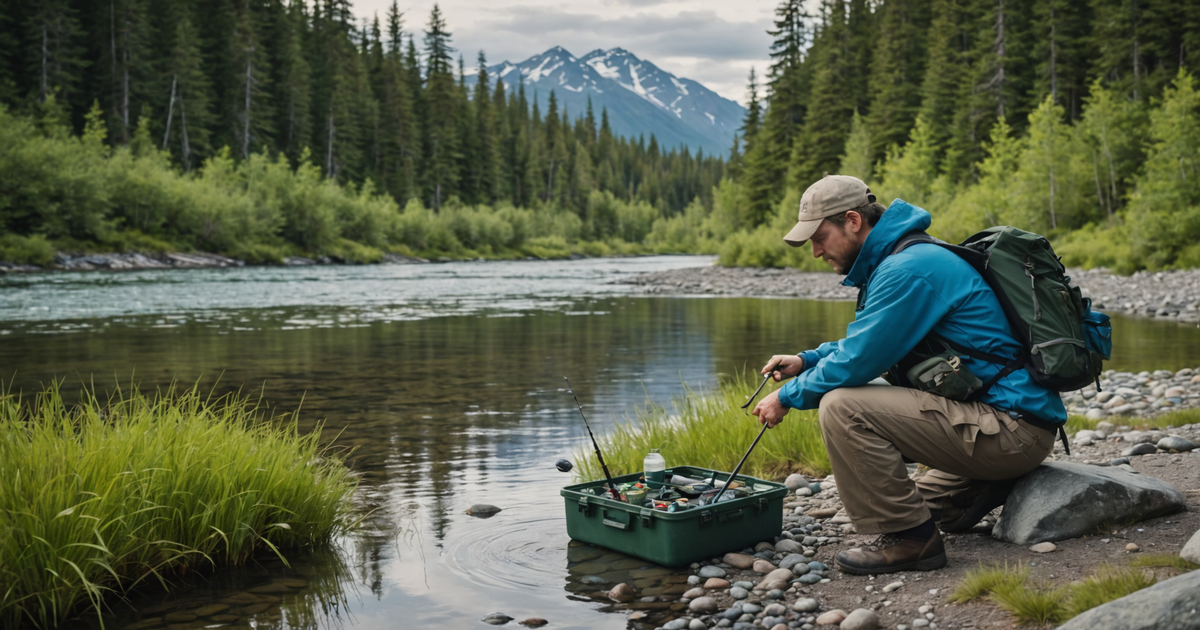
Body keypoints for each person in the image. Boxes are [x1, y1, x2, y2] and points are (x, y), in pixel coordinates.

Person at [749, 175, 1066, 575]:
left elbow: (859, 360)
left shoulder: (907, 268)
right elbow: (872, 342)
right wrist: (807, 359)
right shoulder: (902, 259)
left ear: (852, 220)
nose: (815, 251)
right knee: (924, 505)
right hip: (1006, 422)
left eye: (819, 237)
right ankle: (986, 485)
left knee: (843, 406)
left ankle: (914, 543)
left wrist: (786, 396)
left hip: (1011, 430)